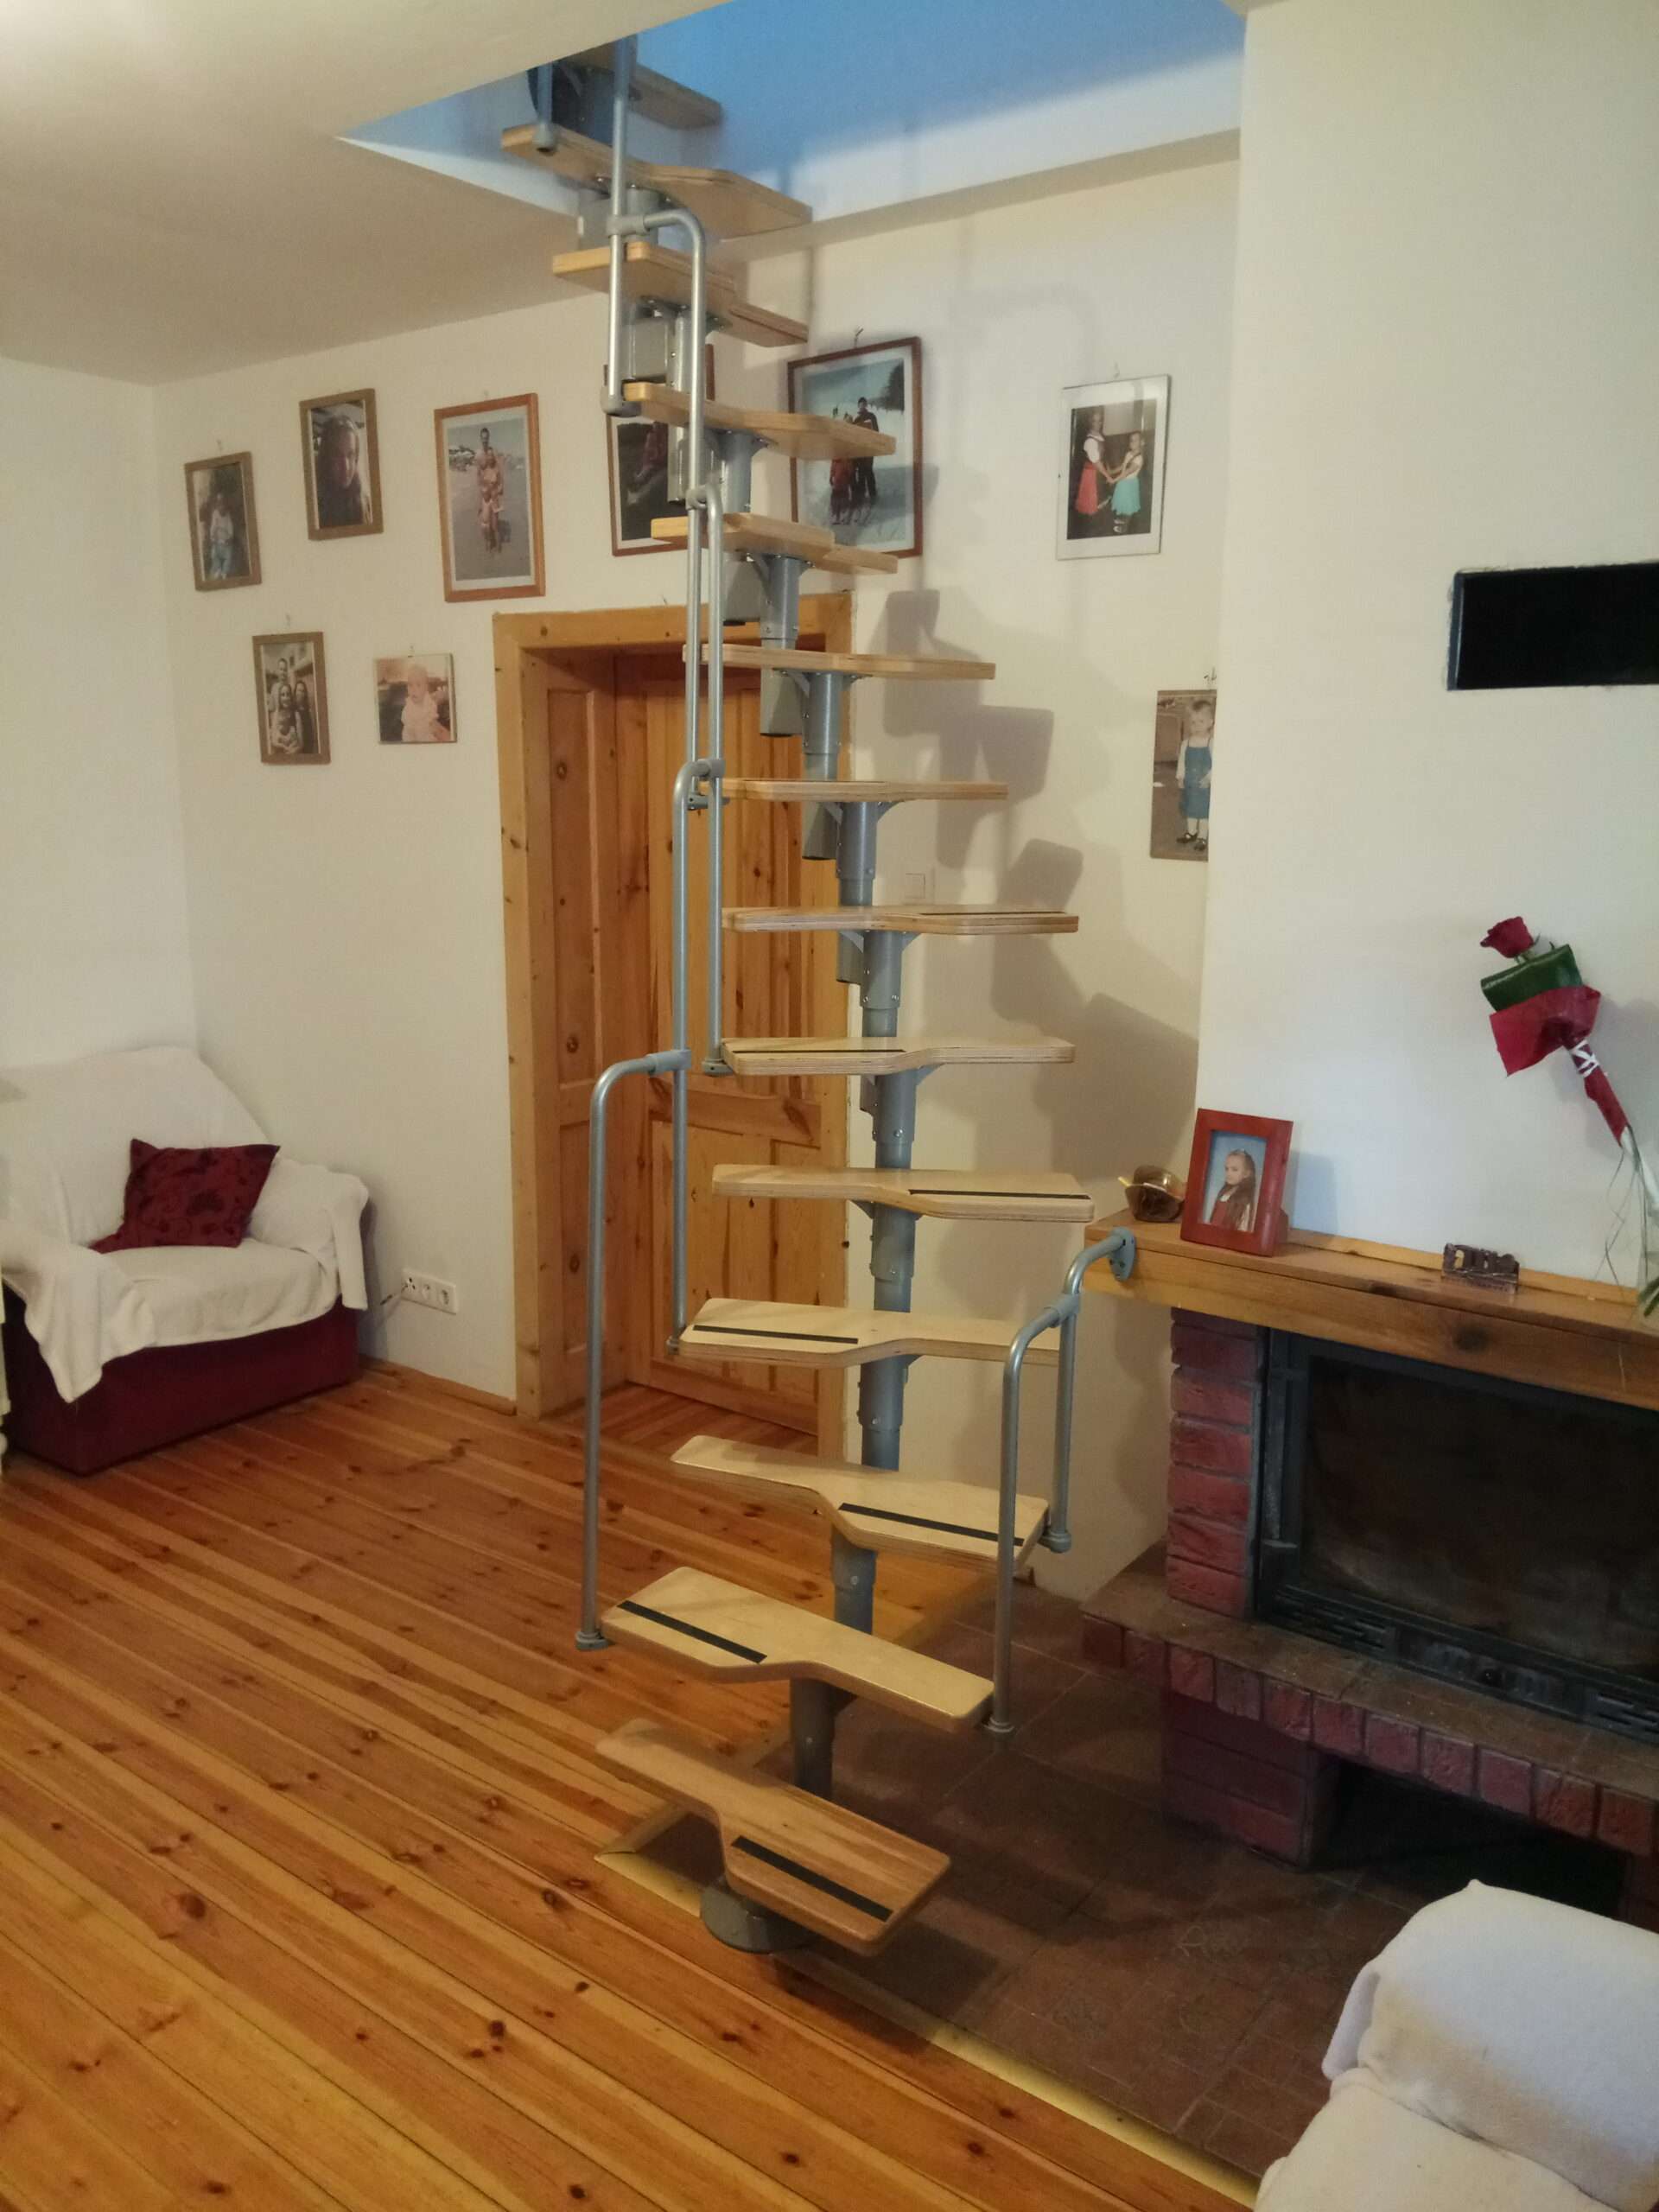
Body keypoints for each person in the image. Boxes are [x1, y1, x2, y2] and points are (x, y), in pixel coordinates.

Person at [315, 411, 370, 530]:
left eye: (350, 455)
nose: (346, 466)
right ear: (326, 458)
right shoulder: (315, 507)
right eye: (337, 455)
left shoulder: (366, 505)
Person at [1175, 696, 1215, 853]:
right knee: (1191, 809)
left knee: (1204, 812)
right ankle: (1191, 832)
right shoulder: (1186, 743)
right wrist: (1180, 777)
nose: (1196, 726)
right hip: (1190, 784)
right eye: (1193, 722)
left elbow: (1217, 764)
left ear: (1210, 723)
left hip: (1205, 785)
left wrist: (1209, 778)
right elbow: (1182, 761)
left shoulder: (1211, 743)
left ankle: (1202, 836)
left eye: (1201, 722)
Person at [1208, 1148, 1258, 1233]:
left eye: (1234, 1169)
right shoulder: (1223, 1193)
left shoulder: (1245, 1200)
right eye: (1227, 1169)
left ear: (1246, 1174)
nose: (1229, 1173)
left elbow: (1243, 1229)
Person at [474, 426, 506, 554]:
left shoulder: (493, 452)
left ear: (489, 438)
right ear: (480, 438)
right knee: (485, 524)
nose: (485, 440)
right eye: (483, 438)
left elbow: (499, 473)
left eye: (486, 438)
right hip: (484, 494)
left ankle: (496, 545)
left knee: (495, 524)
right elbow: (478, 476)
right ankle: (489, 541)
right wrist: (480, 497)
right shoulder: (478, 455)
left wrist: (500, 488)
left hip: (493, 493)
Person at [1108, 429, 1146, 533]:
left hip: (1129, 485)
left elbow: (1127, 472)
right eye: (1131, 440)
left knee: (1128, 507)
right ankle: (1122, 520)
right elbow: (1123, 467)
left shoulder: (1139, 459)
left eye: (1136, 440)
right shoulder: (1128, 453)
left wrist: (1113, 480)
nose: (1132, 442)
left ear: (1141, 442)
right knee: (1122, 504)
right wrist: (1112, 471)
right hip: (1122, 482)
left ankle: (1124, 528)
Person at [399, 659, 445, 744]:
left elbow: (433, 713)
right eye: (410, 685)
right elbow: (405, 719)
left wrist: (431, 721)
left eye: (418, 685)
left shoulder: (429, 701)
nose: (414, 690)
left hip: (427, 733)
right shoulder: (409, 705)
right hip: (412, 735)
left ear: (426, 687)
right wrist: (413, 728)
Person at [852, 395, 880, 518]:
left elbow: (876, 431)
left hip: (869, 449)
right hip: (859, 450)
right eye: (860, 404)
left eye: (864, 404)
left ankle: (873, 495)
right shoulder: (856, 419)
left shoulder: (871, 416)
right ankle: (861, 496)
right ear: (858, 406)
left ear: (866, 405)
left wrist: (873, 442)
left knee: (868, 470)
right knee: (860, 473)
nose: (862, 406)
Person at [203, 486, 237, 579]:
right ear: (217, 505)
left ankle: (225, 571)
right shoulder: (215, 514)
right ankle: (218, 569)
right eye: (219, 504)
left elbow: (231, 529)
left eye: (223, 504)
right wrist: (213, 538)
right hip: (217, 541)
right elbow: (213, 528)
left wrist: (230, 538)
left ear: (226, 505)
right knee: (214, 554)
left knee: (229, 556)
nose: (222, 507)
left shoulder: (228, 516)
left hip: (226, 542)